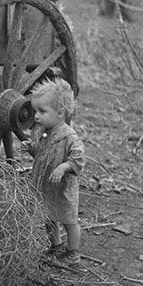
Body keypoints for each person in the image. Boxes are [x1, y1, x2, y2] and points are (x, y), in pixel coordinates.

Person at [23, 78, 86, 266]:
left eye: (42, 111)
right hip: (47, 186)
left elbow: (79, 158)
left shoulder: (69, 137)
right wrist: (33, 149)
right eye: (36, 111)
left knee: (69, 220)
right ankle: (56, 246)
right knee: (48, 217)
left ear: (60, 113)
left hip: (62, 189)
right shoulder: (45, 132)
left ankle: (73, 254)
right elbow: (45, 156)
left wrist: (64, 166)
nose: (36, 116)